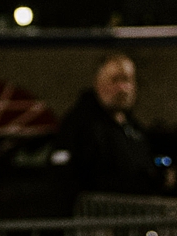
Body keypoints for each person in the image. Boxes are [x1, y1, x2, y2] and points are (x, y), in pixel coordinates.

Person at [59, 54, 170, 199]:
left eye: (128, 80)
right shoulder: (81, 126)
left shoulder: (132, 127)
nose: (123, 88)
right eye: (115, 80)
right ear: (98, 83)